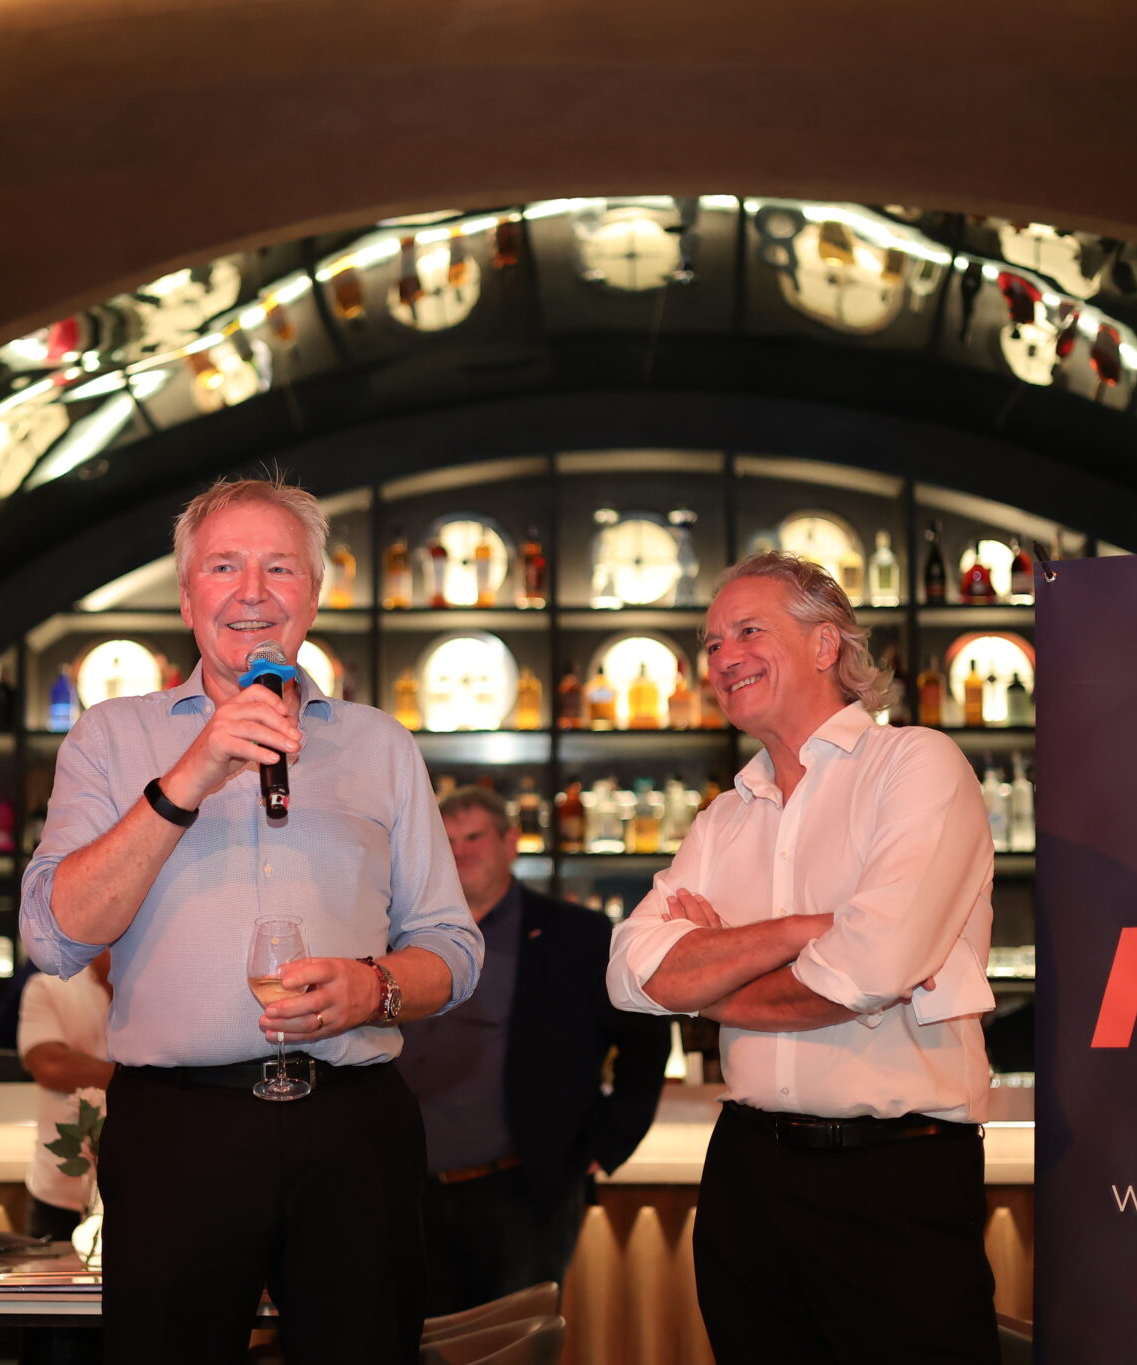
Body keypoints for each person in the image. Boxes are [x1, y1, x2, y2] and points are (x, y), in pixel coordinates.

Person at [19, 475, 483, 1365]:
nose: (253, 592)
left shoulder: (380, 744)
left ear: (314, 593)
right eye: (224, 566)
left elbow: (453, 948)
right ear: (186, 594)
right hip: (179, 1131)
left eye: (280, 567)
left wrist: (375, 987)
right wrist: (191, 773)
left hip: (355, 1126)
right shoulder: (112, 738)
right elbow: (53, 935)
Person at [607, 551, 1000, 1364]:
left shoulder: (915, 765)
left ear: (826, 645)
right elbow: (632, 973)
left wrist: (710, 982)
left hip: (894, 1175)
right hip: (746, 1173)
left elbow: (864, 971)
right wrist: (801, 930)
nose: (724, 657)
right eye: (712, 643)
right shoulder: (723, 818)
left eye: (749, 630)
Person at [398, 786, 668, 1314]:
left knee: (515, 1343)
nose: (461, 852)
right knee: (412, 1343)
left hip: (523, 1192)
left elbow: (648, 1038)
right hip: (408, 1193)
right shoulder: (402, 931)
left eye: (474, 837)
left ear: (510, 843)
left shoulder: (577, 935)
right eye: (448, 841)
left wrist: (609, 1141)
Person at [16, 951, 113, 1241]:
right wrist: (144, 1078)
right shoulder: (49, 986)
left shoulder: (160, 992)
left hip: (143, 1188)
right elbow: (50, 1065)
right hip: (61, 1191)